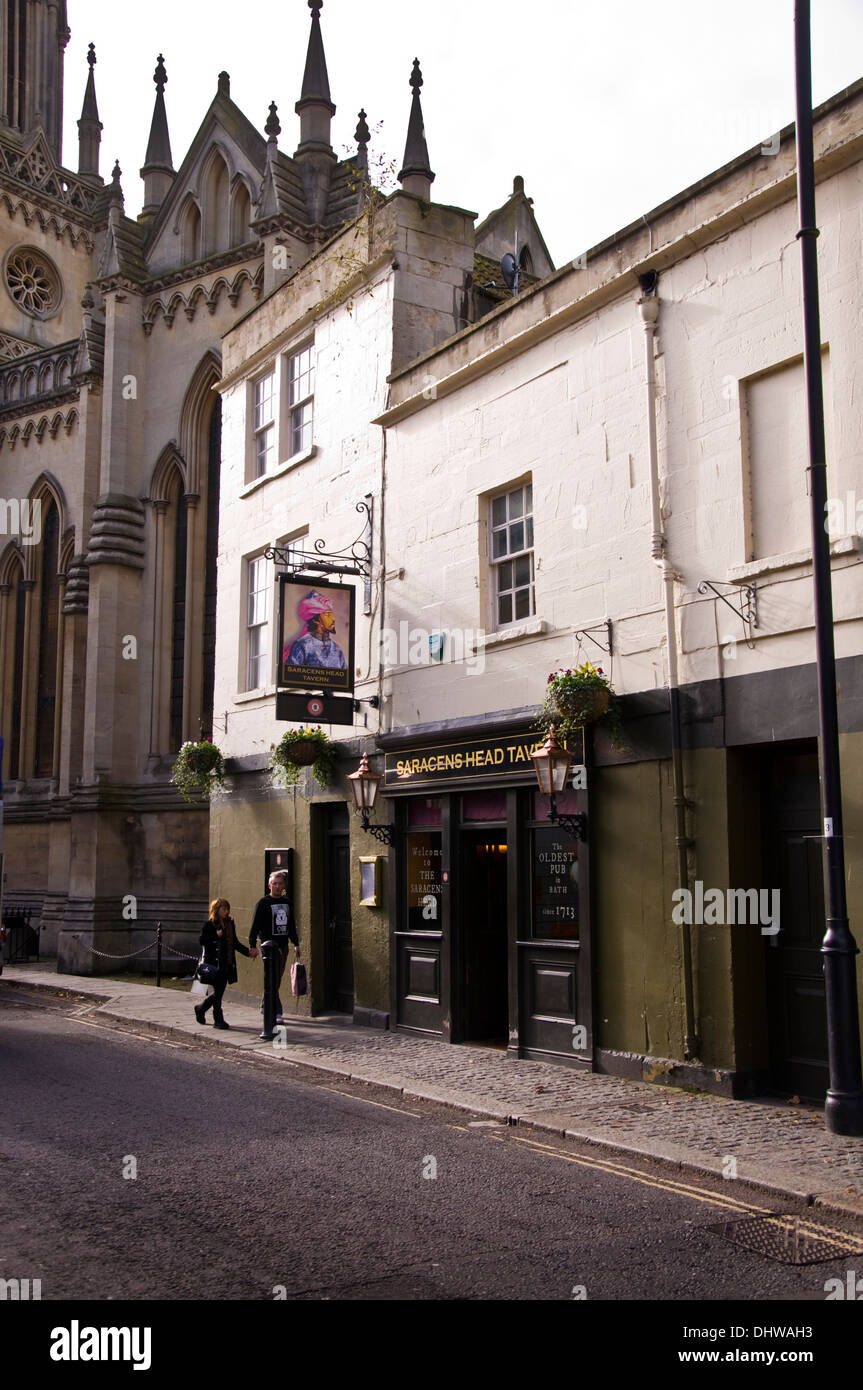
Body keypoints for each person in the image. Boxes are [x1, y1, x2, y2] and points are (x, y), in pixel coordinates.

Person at [249, 870, 301, 1039]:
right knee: (274, 977)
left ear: (284, 886)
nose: (277, 887)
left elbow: (291, 924)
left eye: (280, 884)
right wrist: (252, 945)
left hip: (282, 946)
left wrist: (296, 943)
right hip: (268, 947)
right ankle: (277, 1012)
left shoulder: (287, 903)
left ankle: (266, 1006)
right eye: (275, 884)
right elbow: (255, 925)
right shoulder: (263, 903)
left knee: (276, 978)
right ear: (269, 885)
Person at [194, 898, 257, 1030]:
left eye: (228, 909)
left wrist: (248, 952)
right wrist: (216, 936)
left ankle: (201, 1008)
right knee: (218, 991)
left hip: (227, 962)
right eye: (224, 909)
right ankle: (218, 1019)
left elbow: (234, 943)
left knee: (219, 992)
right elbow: (202, 941)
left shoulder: (229, 923)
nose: (227, 912)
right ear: (216, 910)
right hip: (214, 964)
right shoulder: (209, 924)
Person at [285, 591, 347, 671]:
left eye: (331, 614)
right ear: (315, 620)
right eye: (328, 615)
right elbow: (292, 676)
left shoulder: (337, 650)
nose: (333, 619)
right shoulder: (302, 646)